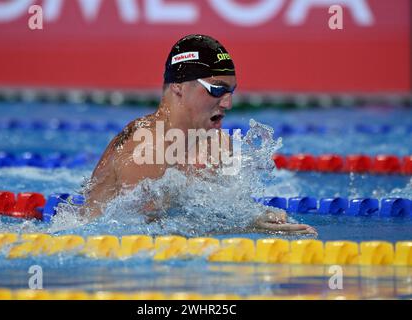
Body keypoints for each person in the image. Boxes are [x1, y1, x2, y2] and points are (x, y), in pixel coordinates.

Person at [82, 34, 316, 235]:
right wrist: (249, 226)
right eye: (217, 89)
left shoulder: (218, 142)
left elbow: (221, 208)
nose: (228, 103)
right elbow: (144, 233)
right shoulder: (146, 146)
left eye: (231, 91)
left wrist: (260, 216)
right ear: (179, 86)